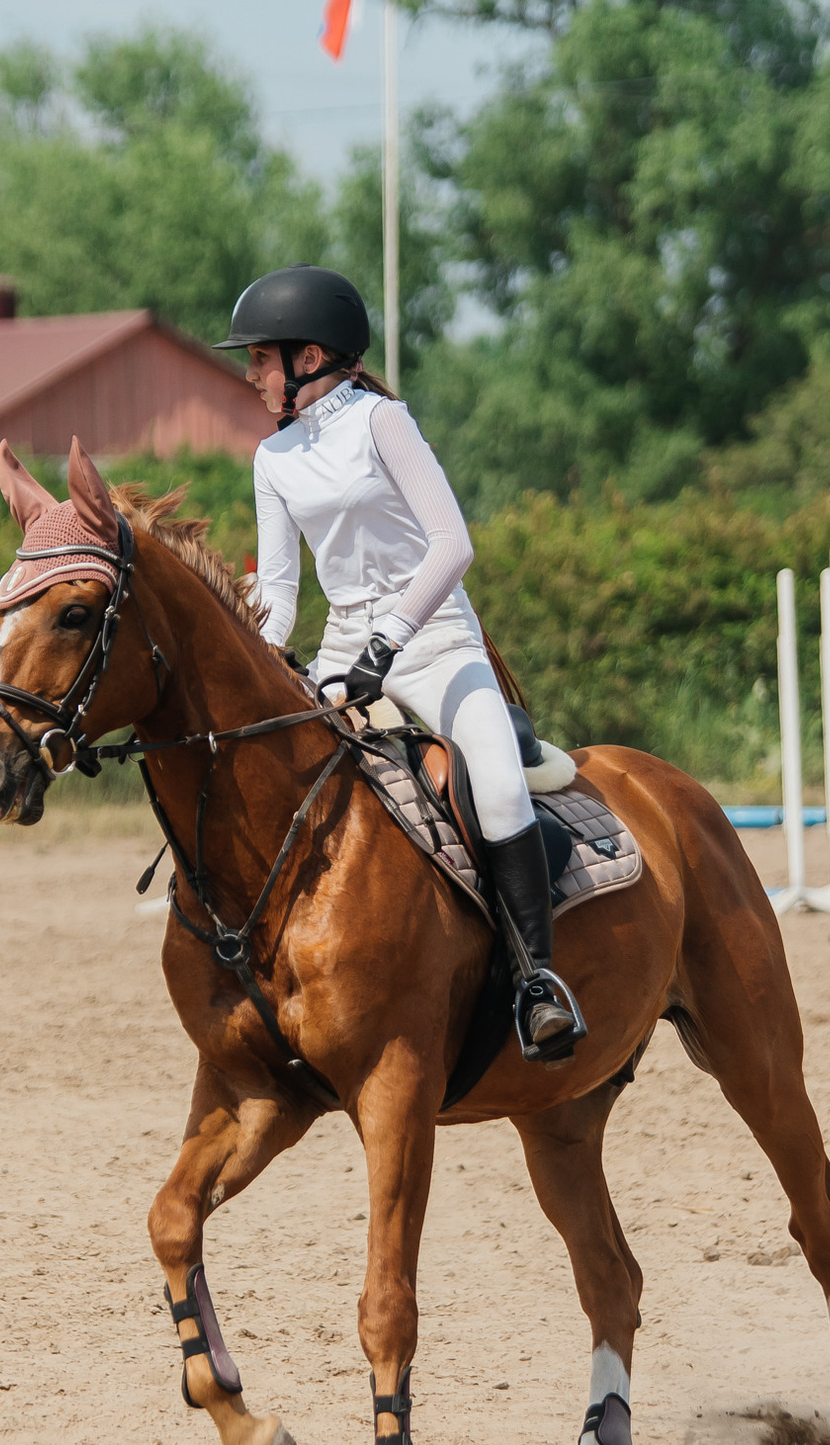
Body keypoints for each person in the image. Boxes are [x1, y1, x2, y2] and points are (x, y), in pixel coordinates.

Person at [219, 263, 583, 1062]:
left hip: (434, 638)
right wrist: (249, 636)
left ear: (309, 357)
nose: (249, 372)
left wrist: (389, 642)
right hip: (345, 645)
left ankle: (538, 982)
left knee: (490, 774)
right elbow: (281, 595)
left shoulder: (382, 422)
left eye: (259, 357)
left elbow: (454, 543)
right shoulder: (272, 458)